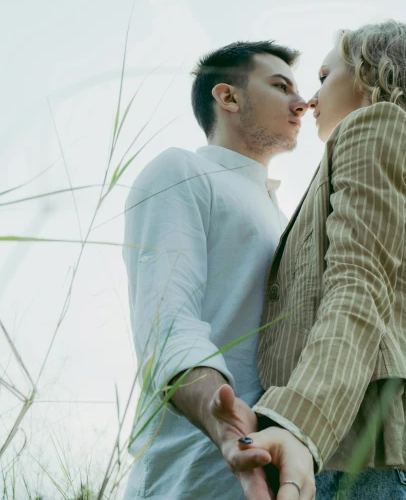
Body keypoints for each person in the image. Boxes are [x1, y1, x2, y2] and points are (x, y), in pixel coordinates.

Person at [226, 20, 406, 500]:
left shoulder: (374, 124)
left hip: (373, 456)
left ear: (369, 73)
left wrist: (300, 423)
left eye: (324, 77)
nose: (309, 99)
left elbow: (359, 284)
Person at [121, 40, 309, 499]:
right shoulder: (181, 170)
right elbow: (168, 321)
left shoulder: (281, 216)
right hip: (192, 470)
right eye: (280, 86)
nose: (301, 103)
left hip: (278, 470)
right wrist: (220, 417)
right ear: (228, 98)